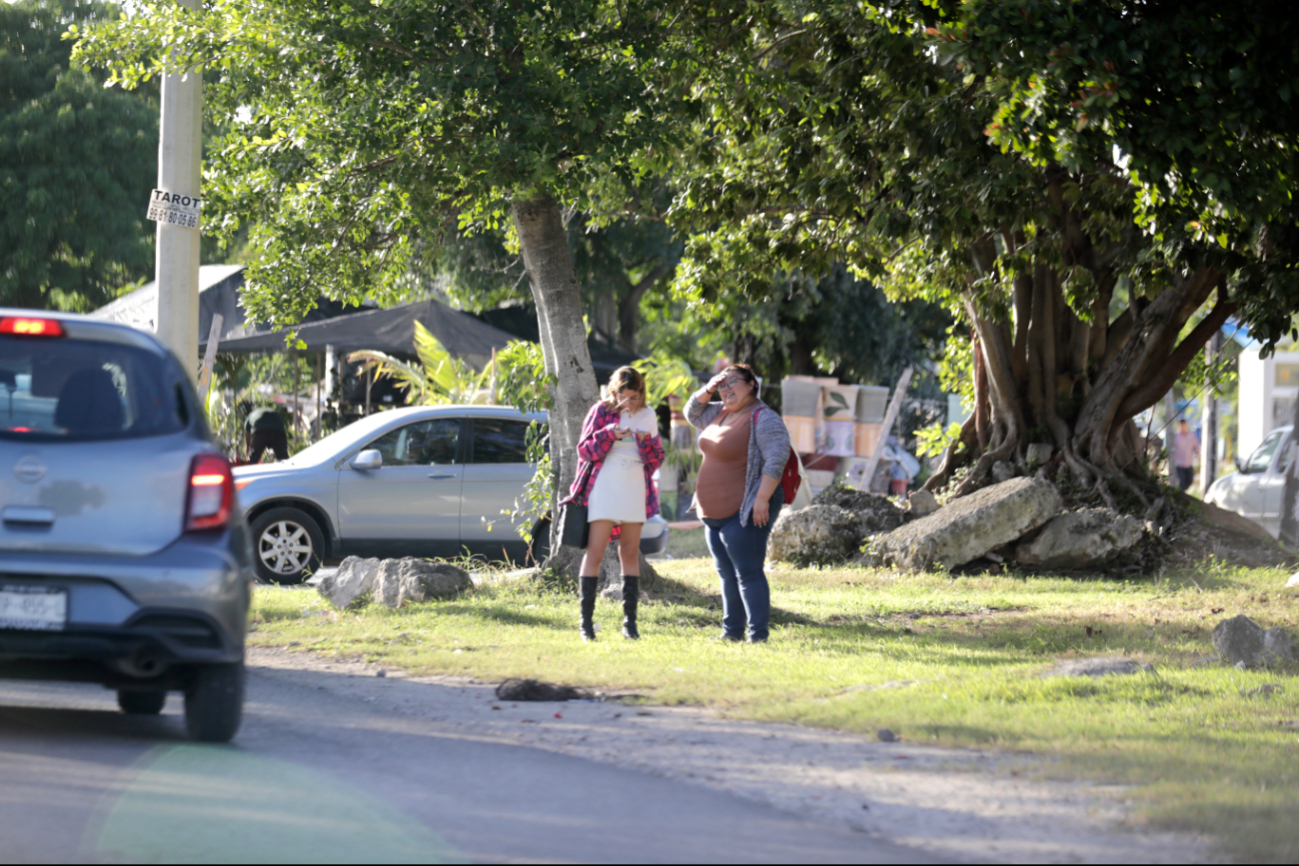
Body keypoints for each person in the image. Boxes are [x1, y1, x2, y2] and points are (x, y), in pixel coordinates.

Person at [686, 364, 790, 643]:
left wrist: (761, 499)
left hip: (746, 508)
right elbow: (691, 412)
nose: (726, 388)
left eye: (733, 382)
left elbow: (776, 459)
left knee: (748, 571)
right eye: (722, 384)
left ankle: (758, 636)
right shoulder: (718, 411)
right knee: (726, 573)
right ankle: (731, 632)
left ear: (752, 385)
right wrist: (709, 387)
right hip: (713, 512)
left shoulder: (763, 417)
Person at [564, 367, 664, 642]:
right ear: (614, 391)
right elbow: (584, 450)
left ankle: (630, 623)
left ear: (641, 394)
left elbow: (656, 460)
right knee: (595, 551)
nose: (627, 403)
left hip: (634, 486)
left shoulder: (649, 415)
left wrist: (645, 442)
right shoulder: (600, 411)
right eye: (623, 396)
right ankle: (586, 623)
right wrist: (609, 433)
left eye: (633, 397)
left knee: (630, 552)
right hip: (605, 484)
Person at [1172, 419, 1199, 492]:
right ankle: (1181, 495)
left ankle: (1183, 494)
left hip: (1189, 464)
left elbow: (1196, 447)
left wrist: (1198, 456)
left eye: (1185, 426)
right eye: (1182, 426)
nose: (1184, 428)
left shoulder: (1191, 436)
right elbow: (1171, 449)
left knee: (1189, 481)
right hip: (1179, 465)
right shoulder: (1175, 437)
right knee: (1181, 482)